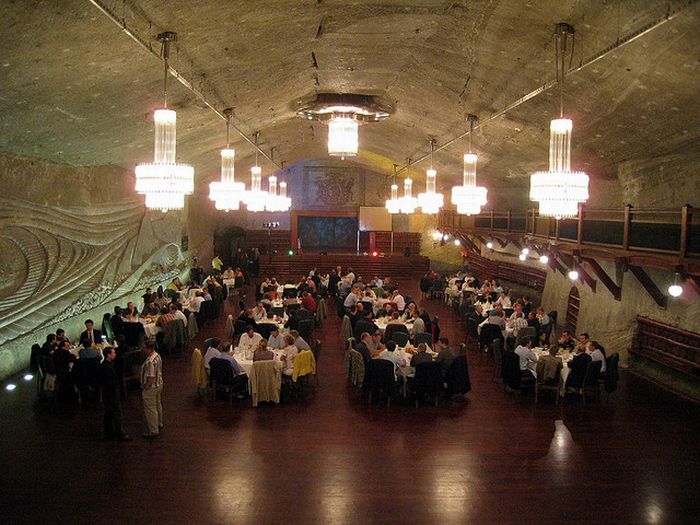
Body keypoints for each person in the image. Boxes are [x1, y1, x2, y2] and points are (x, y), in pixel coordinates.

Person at [99, 346, 131, 441]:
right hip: (111, 393)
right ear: (108, 355)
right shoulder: (108, 367)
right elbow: (111, 381)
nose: (115, 354)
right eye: (113, 352)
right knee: (116, 413)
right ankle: (119, 433)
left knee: (108, 414)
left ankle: (109, 433)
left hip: (107, 393)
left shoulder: (105, 365)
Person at [140, 341, 163, 438]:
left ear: (149, 349)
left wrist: (145, 386)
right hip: (159, 384)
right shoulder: (157, 356)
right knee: (158, 404)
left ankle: (153, 430)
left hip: (152, 386)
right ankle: (159, 423)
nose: (143, 349)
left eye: (144, 347)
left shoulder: (150, 361)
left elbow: (151, 377)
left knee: (150, 409)